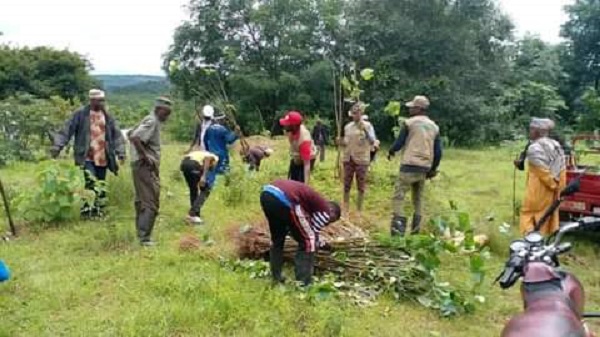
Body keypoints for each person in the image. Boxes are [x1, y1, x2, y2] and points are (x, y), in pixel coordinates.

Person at [51, 89, 126, 218]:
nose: (102, 103)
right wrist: (57, 146)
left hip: (103, 156)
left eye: (103, 100)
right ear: (91, 101)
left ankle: (100, 210)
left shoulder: (107, 116)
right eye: (99, 101)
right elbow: (66, 130)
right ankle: (87, 211)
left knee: (101, 183)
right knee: (91, 182)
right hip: (86, 156)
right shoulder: (80, 114)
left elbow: (117, 135)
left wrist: (121, 152)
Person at [260, 179, 341, 285]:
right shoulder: (326, 211)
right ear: (332, 213)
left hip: (267, 194)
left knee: (278, 239)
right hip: (286, 199)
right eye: (332, 221)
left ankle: (276, 277)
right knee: (309, 241)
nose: (327, 223)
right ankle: (303, 282)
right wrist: (324, 245)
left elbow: (298, 230)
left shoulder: (311, 205)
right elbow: (312, 236)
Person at [388, 95, 442, 236]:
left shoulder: (409, 123)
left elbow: (399, 143)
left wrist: (391, 151)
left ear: (419, 109)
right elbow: (438, 152)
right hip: (424, 167)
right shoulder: (434, 127)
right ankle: (415, 231)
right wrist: (433, 169)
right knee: (418, 199)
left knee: (399, 196)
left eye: (412, 107)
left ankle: (398, 230)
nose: (410, 109)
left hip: (409, 165)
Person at [128, 97, 172, 246]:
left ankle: (141, 234)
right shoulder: (152, 121)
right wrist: (145, 156)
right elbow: (135, 137)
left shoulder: (148, 119)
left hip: (140, 165)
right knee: (151, 200)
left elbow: (130, 133)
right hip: (144, 166)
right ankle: (144, 238)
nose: (167, 117)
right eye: (166, 113)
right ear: (159, 110)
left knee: (142, 199)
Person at [516, 118, 566, 235]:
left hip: (539, 189)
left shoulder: (534, 148)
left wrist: (553, 185)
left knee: (528, 213)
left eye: (532, 129)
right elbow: (562, 168)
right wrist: (558, 187)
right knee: (545, 214)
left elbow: (542, 172)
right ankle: (541, 240)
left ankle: (529, 240)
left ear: (538, 131)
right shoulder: (555, 144)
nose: (530, 132)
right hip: (554, 189)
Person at [338, 102, 376, 217]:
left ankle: (359, 210)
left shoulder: (368, 126)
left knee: (361, 185)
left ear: (361, 114)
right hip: (348, 158)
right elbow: (346, 142)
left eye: (357, 113)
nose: (355, 116)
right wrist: (340, 141)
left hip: (362, 159)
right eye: (353, 114)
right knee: (346, 184)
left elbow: (372, 141)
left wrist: (365, 131)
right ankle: (345, 208)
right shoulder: (347, 127)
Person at [180, 150, 219, 225]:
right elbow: (208, 159)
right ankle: (192, 214)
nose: (212, 168)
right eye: (213, 167)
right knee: (206, 189)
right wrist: (204, 176)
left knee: (193, 190)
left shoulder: (199, 154)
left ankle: (195, 216)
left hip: (184, 165)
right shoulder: (214, 157)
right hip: (193, 165)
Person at [280, 111, 317, 184]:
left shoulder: (304, 140)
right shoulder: (291, 131)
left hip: (306, 160)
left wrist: (305, 185)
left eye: (287, 124)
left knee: (300, 183)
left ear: (293, 126)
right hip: (297, 156)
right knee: (293, 181)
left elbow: (307, 165)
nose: (284, 125)